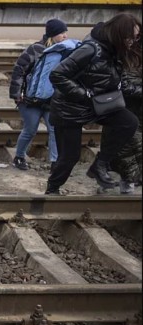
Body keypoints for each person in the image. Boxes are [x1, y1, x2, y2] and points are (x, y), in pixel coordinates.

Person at [46, 13, 141, 194]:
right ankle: (52, 189)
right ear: (120, 33)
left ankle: (100, 164)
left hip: (98, 105)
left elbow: (124, 84)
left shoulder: (116, 52)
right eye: (131, 37)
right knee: (70, 157)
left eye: (136, 37)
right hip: (70, 109)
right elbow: (57, 75)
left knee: (128, 122)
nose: (133, 41)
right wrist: (83, 95)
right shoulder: (91, 49)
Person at [9, 19, 71, 171]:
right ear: (53, 34)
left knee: (54, 130)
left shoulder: (65, 51)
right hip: (30, 100)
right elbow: (19, 71)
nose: (65, 36)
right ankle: (19, 156)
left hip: (52, 100)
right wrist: (16, 94)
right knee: (30, 130)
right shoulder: (35, 49)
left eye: (65, 33)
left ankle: (55, 163)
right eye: (62, 33)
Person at [112, 46, 142, 194]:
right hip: (131, 112)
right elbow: (126, 87)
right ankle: (126, 185)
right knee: (129, 150)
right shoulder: (130, 58)